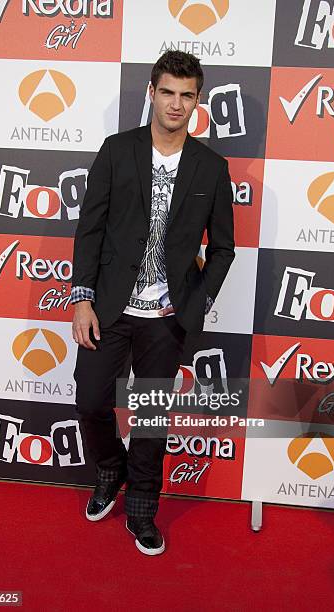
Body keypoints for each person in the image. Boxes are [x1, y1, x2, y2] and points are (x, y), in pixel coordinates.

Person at [71, 50, 235, 556]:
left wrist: (195, 302)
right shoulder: (117, 151)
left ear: (197, 101)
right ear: (152, 93)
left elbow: (223, 248)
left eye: (187, 95)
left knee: (150, 419)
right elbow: (91, 229)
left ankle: (143, 506)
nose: (176, 104)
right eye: (168, 92)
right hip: (111, 309)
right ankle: (109, 469)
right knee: (91, 399)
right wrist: (82, 298)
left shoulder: (211, 166)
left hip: (168, 318)